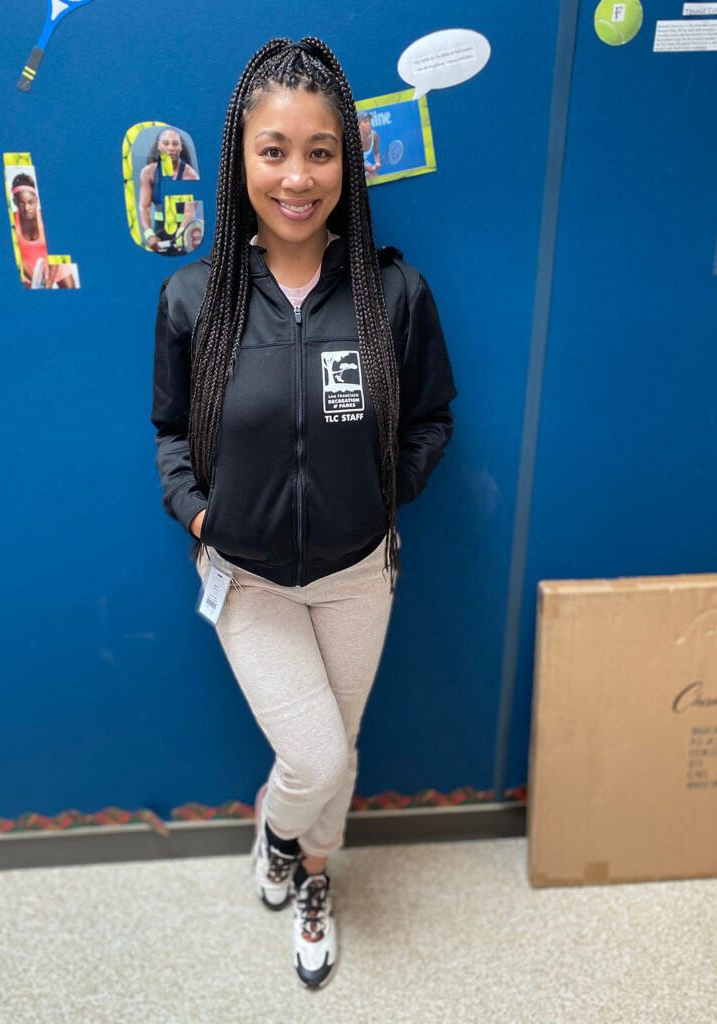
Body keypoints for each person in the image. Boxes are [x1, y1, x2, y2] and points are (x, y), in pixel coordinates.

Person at [151, 36, 457, 990]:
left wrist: (381, 494)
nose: (297, 177)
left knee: (339, 749)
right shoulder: (193, 298)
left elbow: (432, 419)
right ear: (239, 160)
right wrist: (201, 518)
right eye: (273, 150)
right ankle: (279, 831)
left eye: (319, 152)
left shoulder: (393, 295)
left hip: (359, 573)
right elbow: (169, 433)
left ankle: (310, 871)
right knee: (316, 755)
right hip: (246, 580)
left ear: (346, 164)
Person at [139, 127, 200, 254]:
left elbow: (190, 213)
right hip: (158, 235)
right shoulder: (148, 172)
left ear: (181, 147)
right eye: (166, 143)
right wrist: (149, 235)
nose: (171, 148)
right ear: (159, 145)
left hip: (182, 236)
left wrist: (181, 232)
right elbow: (144, 208)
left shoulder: (191, 175)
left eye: (175, 143)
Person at [10, 174, 76, 289]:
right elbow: (17, 257)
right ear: (15, 202)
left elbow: (57, 253)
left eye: (31, 202)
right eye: (21, 203)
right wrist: (36, 281)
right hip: (28, 270)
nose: (27, 208)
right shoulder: (11, 223)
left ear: (37, 200)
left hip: (54, 264)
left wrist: (49, 281)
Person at [358, 111, 381, 177]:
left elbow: (376, 152)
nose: (368, 124)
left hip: (363, 161)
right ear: (359, 125)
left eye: (369, 121)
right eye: (365, 122)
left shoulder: (374, 135)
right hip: (351, 164)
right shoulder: (354, 139)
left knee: (375, 177)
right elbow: (353, 160)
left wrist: (377, 162)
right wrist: (367, 168)